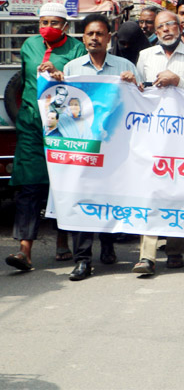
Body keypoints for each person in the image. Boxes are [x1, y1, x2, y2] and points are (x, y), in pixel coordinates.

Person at [59, 14, 143, 281]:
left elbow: (143, 101)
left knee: (109, 197)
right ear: (83, 38)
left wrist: (134, 83)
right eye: (89, 34)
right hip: (84, 146)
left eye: (100, 34)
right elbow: (61, 105)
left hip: (116, 146)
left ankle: (107, 246)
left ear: (109, 37)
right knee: (81, 198)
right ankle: (82, 259)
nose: (94, 38)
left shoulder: (124, 65)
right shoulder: (72, 69)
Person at [5, 3, 86, 272]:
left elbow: (82, 85)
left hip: (63, 126)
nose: (46, 28)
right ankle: (24, 250)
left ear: (65, 25)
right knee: (29, 185)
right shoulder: (29, 45)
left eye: (53, 22)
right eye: (43, 22)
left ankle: (62, 239)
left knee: (62, 182)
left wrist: (62, 76)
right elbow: (26, 80)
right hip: (30, 124)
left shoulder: (76, 49)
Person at [131, 9, 184, 276]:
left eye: (170, 24)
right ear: (155, 30)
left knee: (180, 190)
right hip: (155, 132)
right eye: (160, 26)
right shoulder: (146, 56)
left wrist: (179, 81)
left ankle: (174, 250)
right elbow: (140, 92)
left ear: (179, 27)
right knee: (151, 190)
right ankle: (147, 256)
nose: (166, 30)